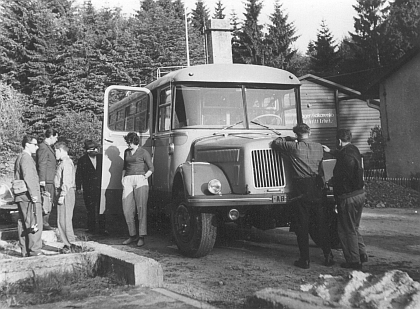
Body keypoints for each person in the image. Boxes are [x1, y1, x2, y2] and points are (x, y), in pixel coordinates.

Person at [271, 123, 334, 269]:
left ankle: (305, 259)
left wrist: (287, 138)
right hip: (317, 188)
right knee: (321, 224)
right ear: (309, 133)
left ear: (296, 135)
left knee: (302, 225)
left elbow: (276, 143)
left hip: (301, 189)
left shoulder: (294, 147)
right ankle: (328, 255)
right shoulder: (318, 147)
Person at [323, 129, 367, 271]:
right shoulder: (353, 149)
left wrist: (331, 182)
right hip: (360, 194)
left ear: (340, 141)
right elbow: (344, 154)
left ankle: (354, 261)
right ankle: (362, 253)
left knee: (345, 230)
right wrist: (331, 151)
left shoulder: (345, 157)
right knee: (354, 226)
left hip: (348, 197)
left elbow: (343, 177)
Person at [121, 132, 154, 247]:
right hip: (128, 180)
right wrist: (123, 178)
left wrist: (144, 177)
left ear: (135, 141)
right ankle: (132, 235)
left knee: (141, 208)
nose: (128, 144)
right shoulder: (126, 152)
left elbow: (151, 168)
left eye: (129, 142)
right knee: (127, 209)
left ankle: (141, 236)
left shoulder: (143, 152)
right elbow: (124, 166)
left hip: (140, 179)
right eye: (127, 142)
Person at [14, 135, 44, 257]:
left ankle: (25, 250)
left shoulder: (20, 157)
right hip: (29, 196)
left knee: (24, 223)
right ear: (27, 144)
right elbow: (29, 178)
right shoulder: (26, 158)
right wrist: (34, 196)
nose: (37, 147)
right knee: (34, 222)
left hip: (22, 196)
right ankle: (35, 251)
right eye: (35, 144)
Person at [76, 140, 107, 235]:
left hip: (100, 188)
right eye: (92, 149)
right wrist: (78, 187)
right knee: (90, 209)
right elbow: (79, 174)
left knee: (101, 208)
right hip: (88, 188)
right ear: (87, 150)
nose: (95, 150)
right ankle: (91, 228)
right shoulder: (82, 160)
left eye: (96, 148)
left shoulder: (102, 159)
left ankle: (102, 228)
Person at [54, 141, 76, 253]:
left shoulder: (66, 163)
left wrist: (62, 195)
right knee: (62, 219)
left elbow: (66, 181)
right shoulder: (63, 162)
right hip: (64, 192)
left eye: (56, 151)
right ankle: (68, 243)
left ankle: (70, 244)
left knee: (65, 219)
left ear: (61, 150)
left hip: (65, 193)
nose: (55, 153)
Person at [36, 128, 59, 230]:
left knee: (49, 201)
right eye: (56, 137)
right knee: (46, 201)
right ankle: (44, 223)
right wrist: (42, 180)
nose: (56, 139)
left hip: (49, 179)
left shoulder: (48, 147)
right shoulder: (43, 147)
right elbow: (42, 163)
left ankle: (45, 222)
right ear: (51, 136)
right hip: (46, 180)